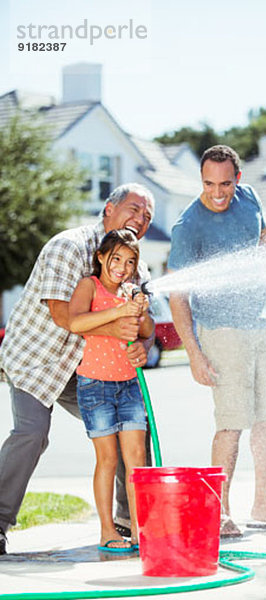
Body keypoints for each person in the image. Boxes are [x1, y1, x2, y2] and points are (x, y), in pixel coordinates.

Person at [0, 183, 155, 554]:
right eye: (133, 209)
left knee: (132, 433)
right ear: (108, 208)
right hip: (39, 358)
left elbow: (145, 323)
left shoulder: (137, 263)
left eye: (148, 216)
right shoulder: (67, 246)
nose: (140, 219)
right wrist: (117, 325)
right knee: (32, 433)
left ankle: (127, 521)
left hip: (91, 366)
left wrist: (143, 348)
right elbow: (61, 316)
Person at [168, 145, 266, 537]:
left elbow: (265, 243)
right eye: (208, 184)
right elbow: (177, 295)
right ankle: (219, 510)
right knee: (232, 422)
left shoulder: (250, 199)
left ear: (238, 180)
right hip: (221, 330)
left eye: (225, 184)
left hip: (263, 322)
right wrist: (194, 353)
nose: (216, 192)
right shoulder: (187, 226)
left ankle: (264, 503)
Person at [69, 229, 154, 552]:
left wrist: (140, 310)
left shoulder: (130, 291)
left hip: (129, 385)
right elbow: (76, 322)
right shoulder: (88, 286)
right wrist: (119, 311)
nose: (122, 266)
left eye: (130, 261)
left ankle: (138, 527)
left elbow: (145, 329)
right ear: (101, 257)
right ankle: (107, 529)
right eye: (116, 258)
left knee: (136, 459)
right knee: (107, 459)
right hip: (95, 386)